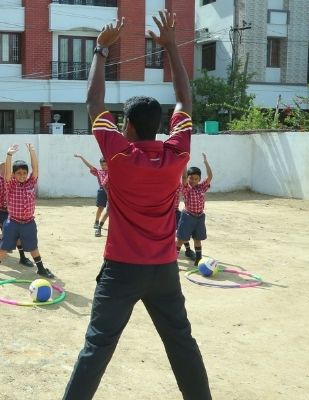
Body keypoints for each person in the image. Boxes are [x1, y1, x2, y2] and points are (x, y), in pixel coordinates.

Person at [64, 12, 210, 400]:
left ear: (126, 126)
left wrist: (101, 49)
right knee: (182, 344)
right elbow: (185, 99)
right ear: (159, 125)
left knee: (97, 348)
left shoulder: (119, 154)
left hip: (121, 271)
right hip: (163, 269)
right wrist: (171, 47)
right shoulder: (177, 153)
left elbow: (93, 101)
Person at [0, 143, 54, 281]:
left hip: (28, 223)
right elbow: (7, 172)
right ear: (13, 175)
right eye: (18, 173)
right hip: (13, 223)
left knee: (33, 247)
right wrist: (9, 155)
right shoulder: (10, 184)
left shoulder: (31, 182)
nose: (22, 175)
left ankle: (41, 269)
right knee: (3, 247)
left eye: (24, 173)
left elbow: (35, 168)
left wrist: (32, 152)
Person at [176, 154, 213, 265]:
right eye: (191, 178)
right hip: (187, 216)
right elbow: (183, 177)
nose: (193, 180)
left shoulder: (202, 187)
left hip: (200, 217)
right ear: (188, 178)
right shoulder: (187, 189)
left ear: (199, 179)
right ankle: (173, 260)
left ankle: (198, 259)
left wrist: (206, 162)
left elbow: (210, 176)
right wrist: (184, 162)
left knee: (197, 239)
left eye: (196, 179)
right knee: (181, 239)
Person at [74, 154, 109, 237]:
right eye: (102, 165)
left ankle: (100, 226)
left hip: (111, 192)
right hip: (102, 191)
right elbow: (89, 166)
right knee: (101, 207)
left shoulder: (112, 171)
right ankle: (96, 221)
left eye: (105, 165)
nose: (103, 167)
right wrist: (81, 157)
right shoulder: (99, 172)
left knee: (109, 210)